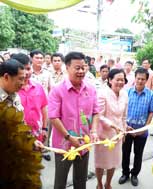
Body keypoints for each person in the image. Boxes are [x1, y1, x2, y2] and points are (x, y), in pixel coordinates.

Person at [48, 52, 99, 189]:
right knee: (60, 182)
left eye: (83, 67)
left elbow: (95, 112)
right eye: (77, 68)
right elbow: (53, 117)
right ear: (67, 67)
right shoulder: (57, 90)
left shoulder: (91, 89)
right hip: (63, 145)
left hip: (84, 143)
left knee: (81, 180)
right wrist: (69, 137)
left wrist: (93, 130)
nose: (81, 71)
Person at [0, 59, 43, 188]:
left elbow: (20, 123)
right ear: (7, 77)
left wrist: (30, 140)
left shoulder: (15, 96)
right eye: (20, 79)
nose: (23, 83)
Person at [119, 68, 153, 186]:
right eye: (138, 78)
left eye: (143, 79)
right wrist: (125, 126)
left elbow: (152, 112)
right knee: (125, 153)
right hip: (127, 129)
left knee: (138, 153)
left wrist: (144, 128)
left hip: (142, 131)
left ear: (146, 80)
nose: (140, 81)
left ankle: (135, 174)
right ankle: (125, 173)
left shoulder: (151, 95)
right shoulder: (127, 92)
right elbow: (122, 110)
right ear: (135, 78)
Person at [13, 53, 50, 161]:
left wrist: (44, 128)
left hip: (36, 135)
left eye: (28, 68)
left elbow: (43, 108)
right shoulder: (10, 90)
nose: (27, 72)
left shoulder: (38, 87)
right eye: (23, 69)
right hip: (17, 136)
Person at [95, 69, 128, 189]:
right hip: (104, 135)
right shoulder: (102, 93)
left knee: (113, 161)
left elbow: (124, 116)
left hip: (118, 135)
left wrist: (123, 131)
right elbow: (99, 115)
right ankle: (99, 183)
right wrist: (113, 125)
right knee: (101, 162)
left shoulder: (125, 94)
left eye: (122, 79)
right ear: (110, 80)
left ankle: (108, 183)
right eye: (117, 79)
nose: (120, 82)